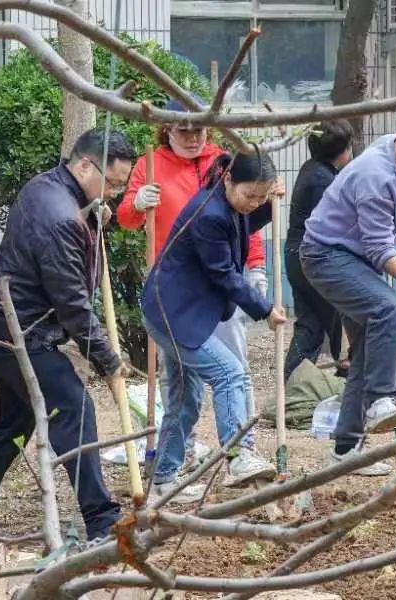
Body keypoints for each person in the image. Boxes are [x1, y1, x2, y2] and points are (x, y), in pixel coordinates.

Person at [0, 129, 135, 544]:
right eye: (113, 182)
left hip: (1, 328)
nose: (116, 194)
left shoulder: (48, 186)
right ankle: (102, 520)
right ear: (85, 165)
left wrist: (91, 214)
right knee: (75, 409)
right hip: (16, 337)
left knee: (13, 425)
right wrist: (108, 359)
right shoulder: (60, 218)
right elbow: (73, 305)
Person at [300, 107, 396, 476]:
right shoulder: (374, 175)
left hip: (356, 261)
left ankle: (346, 449)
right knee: (389, 310)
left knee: (368, 351)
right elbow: (380, 248)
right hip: (327, 256)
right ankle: (379, 400)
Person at [117, 97, 268, 472]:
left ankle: (235, 449)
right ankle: (233, 456)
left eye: (199, 129)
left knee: (228, 371)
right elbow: (125, 219)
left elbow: (245, 216)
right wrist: (137, 203)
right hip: (180, 290)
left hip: (221, 288)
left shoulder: (225, 165)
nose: (192, 137)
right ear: (167, 128)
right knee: (217, 375)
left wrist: (257, 264)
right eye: (183, 130)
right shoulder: (150, 165)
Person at [141, 150, 287, 504]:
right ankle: (238, 457)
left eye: (260, 197)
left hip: (179, 310)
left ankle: (162, 479)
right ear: (228, 181)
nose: (253, 203)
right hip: (173, 314)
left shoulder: (228, 206)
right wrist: (264, 309)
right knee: (229, 373)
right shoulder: (209, 214)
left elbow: (242, 225)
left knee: (184, 399)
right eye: (249, 195)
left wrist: (269, 206)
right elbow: (224, 274)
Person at [284, 119, 354, 380]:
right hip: (310, 258)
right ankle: (344, 377)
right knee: (335, 320)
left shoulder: (311, 169)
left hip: (295, 254)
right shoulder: (324, 181)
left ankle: (293, 383)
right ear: (343, 151)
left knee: (310, 326)